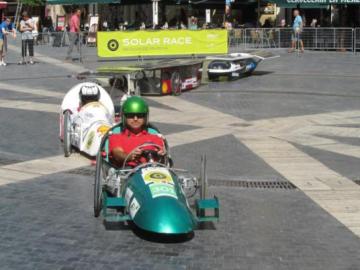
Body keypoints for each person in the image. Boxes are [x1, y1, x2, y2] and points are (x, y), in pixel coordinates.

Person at [109, 96, 166, 167]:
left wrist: (161, 154)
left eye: (140, 115)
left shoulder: (155, 137)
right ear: (125, 117)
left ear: (145, 117)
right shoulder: (116, 137)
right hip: (128, 173)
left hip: (153, 172)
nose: (135, 119)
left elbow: (162, 157)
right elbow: (117, 154)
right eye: (131, 115)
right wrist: (130, 156)